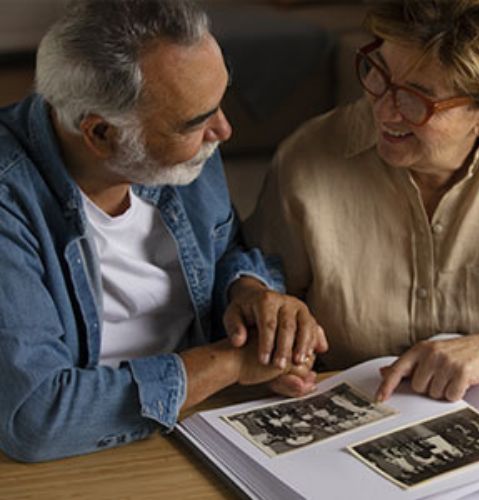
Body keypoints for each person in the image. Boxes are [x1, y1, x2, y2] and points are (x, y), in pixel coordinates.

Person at [0, 0, 328, 462]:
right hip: (83, 455)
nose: (224, 130)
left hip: (202, 422)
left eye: (220, 102)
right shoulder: (8, 201)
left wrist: (250, 293)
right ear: (101, 134)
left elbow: (224, 246)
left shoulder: (187, 155)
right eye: (195, 122)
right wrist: (231, 364)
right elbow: (37, 418)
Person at [244, 0, 479, 403]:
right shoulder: (308, 158)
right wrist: (274, 341)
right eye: (379, 74)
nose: (384, 111)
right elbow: (259, 285)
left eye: (417, 98)